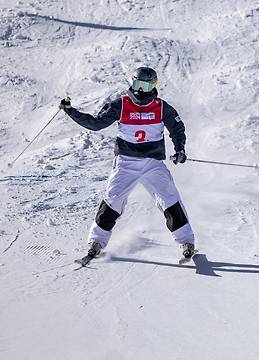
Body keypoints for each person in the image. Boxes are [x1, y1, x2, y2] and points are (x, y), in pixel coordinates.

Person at [60, 66, 196, 260]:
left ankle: (186, 241)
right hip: (126, 162)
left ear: (154, 87)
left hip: (152, 162)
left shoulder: (161, 106)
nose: (141, 91)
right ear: (132, 83)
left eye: (146, 86)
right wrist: (70, 111)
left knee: (169, 198)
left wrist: (180, 149)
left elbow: (177, 128)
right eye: (137, 85)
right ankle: (97, 240)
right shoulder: (121, 105)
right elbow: (96, 123)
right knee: (113, 198)